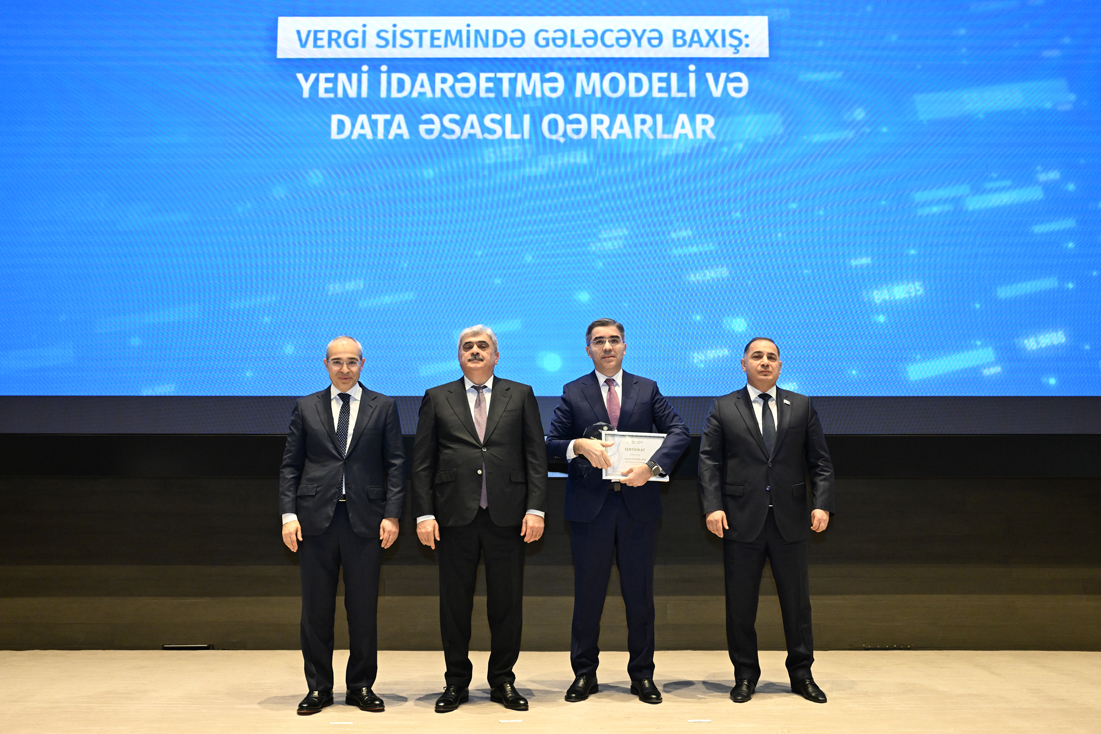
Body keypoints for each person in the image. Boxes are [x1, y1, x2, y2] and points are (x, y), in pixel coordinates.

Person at [546, 318, 690, 704]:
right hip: (589, 509)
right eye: (599, 341)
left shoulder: (648, 388)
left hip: (637, 508)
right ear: (588, 350)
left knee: (639, 596)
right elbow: (551, 443)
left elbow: (679, 431)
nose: (607, 347)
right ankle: (584, 674)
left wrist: (652, 467)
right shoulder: (573, 391)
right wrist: (577, 445)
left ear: (625, 346)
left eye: (614, 340)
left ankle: (642, 675)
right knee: (587, 596)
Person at [411, 325, 548, 713]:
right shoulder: (436, 396)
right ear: (459, 356)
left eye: (482, 346)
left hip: (509, 516)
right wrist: (424, 514)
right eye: (467, 346)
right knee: (455, 605)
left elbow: (535, 457)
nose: (475, 351)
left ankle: (503, 680)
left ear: (496, 356)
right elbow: (422, 463)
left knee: (507, 603)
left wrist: (536, 508)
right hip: (454, 516)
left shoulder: (520, 394)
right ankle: (456, 682)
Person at [697, 337, 835, 704]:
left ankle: (802, 675)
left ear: (780, 365)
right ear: (743, 363)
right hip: (741, 520)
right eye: (757, 356)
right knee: (741, 606)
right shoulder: (724, 406)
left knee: (797, 605)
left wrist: (822, 504)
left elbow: (820, 462)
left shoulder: (801, 405)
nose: (765, 362)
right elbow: (709, 461)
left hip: (791, 520)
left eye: (772, 357)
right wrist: (712, 506)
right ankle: (745, 675)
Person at [279, 336, 406, 715]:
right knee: (316, 611)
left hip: (366, 521)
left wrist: (392, 514)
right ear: (326, 364)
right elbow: (290, 466)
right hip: (314, 521)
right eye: (337, 362)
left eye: (352, 361)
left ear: (362, 364)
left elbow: (396, 464)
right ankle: (318, 688)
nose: (345, 369)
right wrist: (288, 515)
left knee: (363, 609)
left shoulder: (383, 406)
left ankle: (361, 686)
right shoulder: (306, 406)